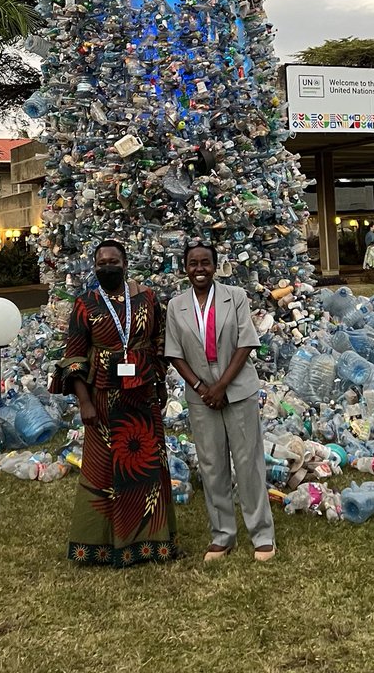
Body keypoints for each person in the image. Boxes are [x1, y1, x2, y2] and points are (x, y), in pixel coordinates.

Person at [50, 239, 180, 567]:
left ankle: (153, 542)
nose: (107, 266)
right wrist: (84, 403)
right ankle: (102, 545)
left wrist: (159, 379)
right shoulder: (85, 303)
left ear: (125, 263)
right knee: (103, 470)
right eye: (101, 262)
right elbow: (74, 356)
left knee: (147, 467)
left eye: (113, 261)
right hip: (103, 399)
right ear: (94, 267)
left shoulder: (147, 298)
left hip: (142, 396)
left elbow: (160, 340)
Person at [165, 240, 276, 563]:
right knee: (212, 466)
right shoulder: (176, 305)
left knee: (248, 463)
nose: (199, 269)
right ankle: (222, 536)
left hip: (237, 389)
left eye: (205, 263)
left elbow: (246, 343)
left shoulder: (235, 297)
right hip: (201, 397)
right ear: (185, 268)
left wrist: (222, 386)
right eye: (193, 263)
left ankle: (262, 535)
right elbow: (174, 353)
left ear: (216, 266)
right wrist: (202, 388)